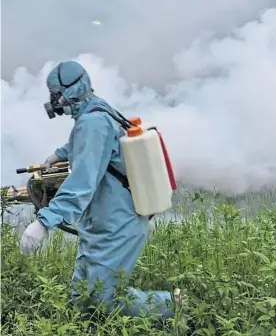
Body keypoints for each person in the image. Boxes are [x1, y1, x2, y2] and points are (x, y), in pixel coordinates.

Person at [19, 60, 180, 318]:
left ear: (69, 92)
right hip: (101, 221)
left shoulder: (93, 122)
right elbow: (91, 144)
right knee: (83, 295)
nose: (54, 100)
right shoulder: (95, 110)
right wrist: (59, 154)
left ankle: (176, 308)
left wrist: (44, 222)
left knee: (104, 299)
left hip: (117, 222)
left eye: (56, 93)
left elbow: (83, 182)